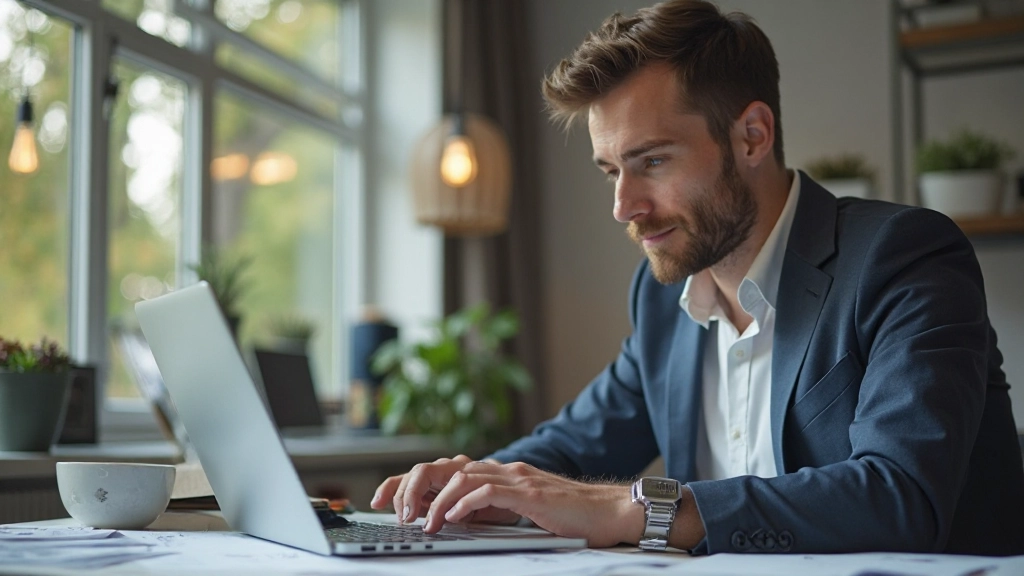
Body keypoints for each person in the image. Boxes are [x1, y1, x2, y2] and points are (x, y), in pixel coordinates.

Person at [371, 0, 1024, 555]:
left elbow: (900, 498)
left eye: (650, 161)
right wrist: (473, 484)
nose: (623, 206)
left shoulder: (904, 257)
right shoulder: (662, 300)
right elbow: (566, 452)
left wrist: (640, 509)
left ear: (752, 136)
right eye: (610, 170)